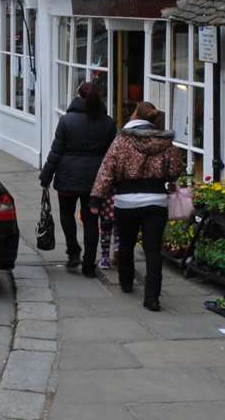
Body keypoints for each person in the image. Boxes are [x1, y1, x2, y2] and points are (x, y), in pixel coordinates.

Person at [91, 101, 184, 312]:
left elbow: (107, 170)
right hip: (156, 202)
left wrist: (96, 198)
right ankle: (152, 298)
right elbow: (175, 170)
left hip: (126, 202)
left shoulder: (122, 140)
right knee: (153, 250)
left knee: (126, 244)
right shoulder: (166, 143)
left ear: (135, 117)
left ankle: (126, 282)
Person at [39, 82, 117, 275]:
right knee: (91, 220)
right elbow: (111, 155)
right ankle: (89, 265)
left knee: (67, 215)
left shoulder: (66, 121)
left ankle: (73, 252)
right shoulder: (107, 122)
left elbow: (56, 152)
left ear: (78, 96)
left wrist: (46, 176)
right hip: (95, 179)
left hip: (68, 177)